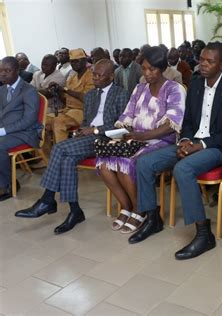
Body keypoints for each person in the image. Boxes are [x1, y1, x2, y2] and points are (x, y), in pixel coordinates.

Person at [128, 42, 222, 262]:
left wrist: (201, 145)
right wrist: (187, 140)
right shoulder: (197, 83)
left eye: (210, 61)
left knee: (183, 169)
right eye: (201, 59)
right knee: (144, 163)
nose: (203, 64)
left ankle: (203, 233)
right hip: (192, 142)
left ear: (221, 64)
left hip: (217, 147)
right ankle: (153, 218)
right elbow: (187, 120)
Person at [14, 60, 129, 233]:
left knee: (59, 148)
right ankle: (75, 211)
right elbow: (85, 121)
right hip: (88, 139)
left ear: (111, 76)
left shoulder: (121, 94)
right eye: (94, 74)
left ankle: (47, 199)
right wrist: (81, 130)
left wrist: (96, 130)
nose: (95, 78)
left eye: (99, 75)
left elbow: (121, 127)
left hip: (107, 139)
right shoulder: (90, 95)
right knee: (67, 160)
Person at [97, 46, 186, 234]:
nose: (147, 73)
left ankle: (140, 210)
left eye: (152, 69)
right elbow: (127, 114)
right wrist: (121, 132)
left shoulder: (174, 89)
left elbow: (172, 125)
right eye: (144, 69)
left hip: (162, 141)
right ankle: (126, 206)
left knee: (126, 162)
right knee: (104, 162)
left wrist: (142, 136)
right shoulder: (139, 88)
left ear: (161, 68)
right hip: (136, 138)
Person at [0, 57, 40, 201]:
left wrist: (3, 130)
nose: (2, 74)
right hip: (6, 131)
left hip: (25, 132)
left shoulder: (28, 90)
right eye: (0, 71)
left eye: (7, 71)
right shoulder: (2, 89)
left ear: (17, 71)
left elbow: (29, 120)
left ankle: (7, 185)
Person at [46, 49, 94, 148]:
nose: (74, 64)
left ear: (85, 61)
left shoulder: (91, 76)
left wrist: (64, 89)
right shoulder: (71, 77)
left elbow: (87, 98)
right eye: (72, 61)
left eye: (77, 61)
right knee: (43, 121)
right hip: (67, 110)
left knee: (59, 122)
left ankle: (62, 154)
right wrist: (57, 90)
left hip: (82, 112)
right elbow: (65, 100)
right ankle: (46, 158)